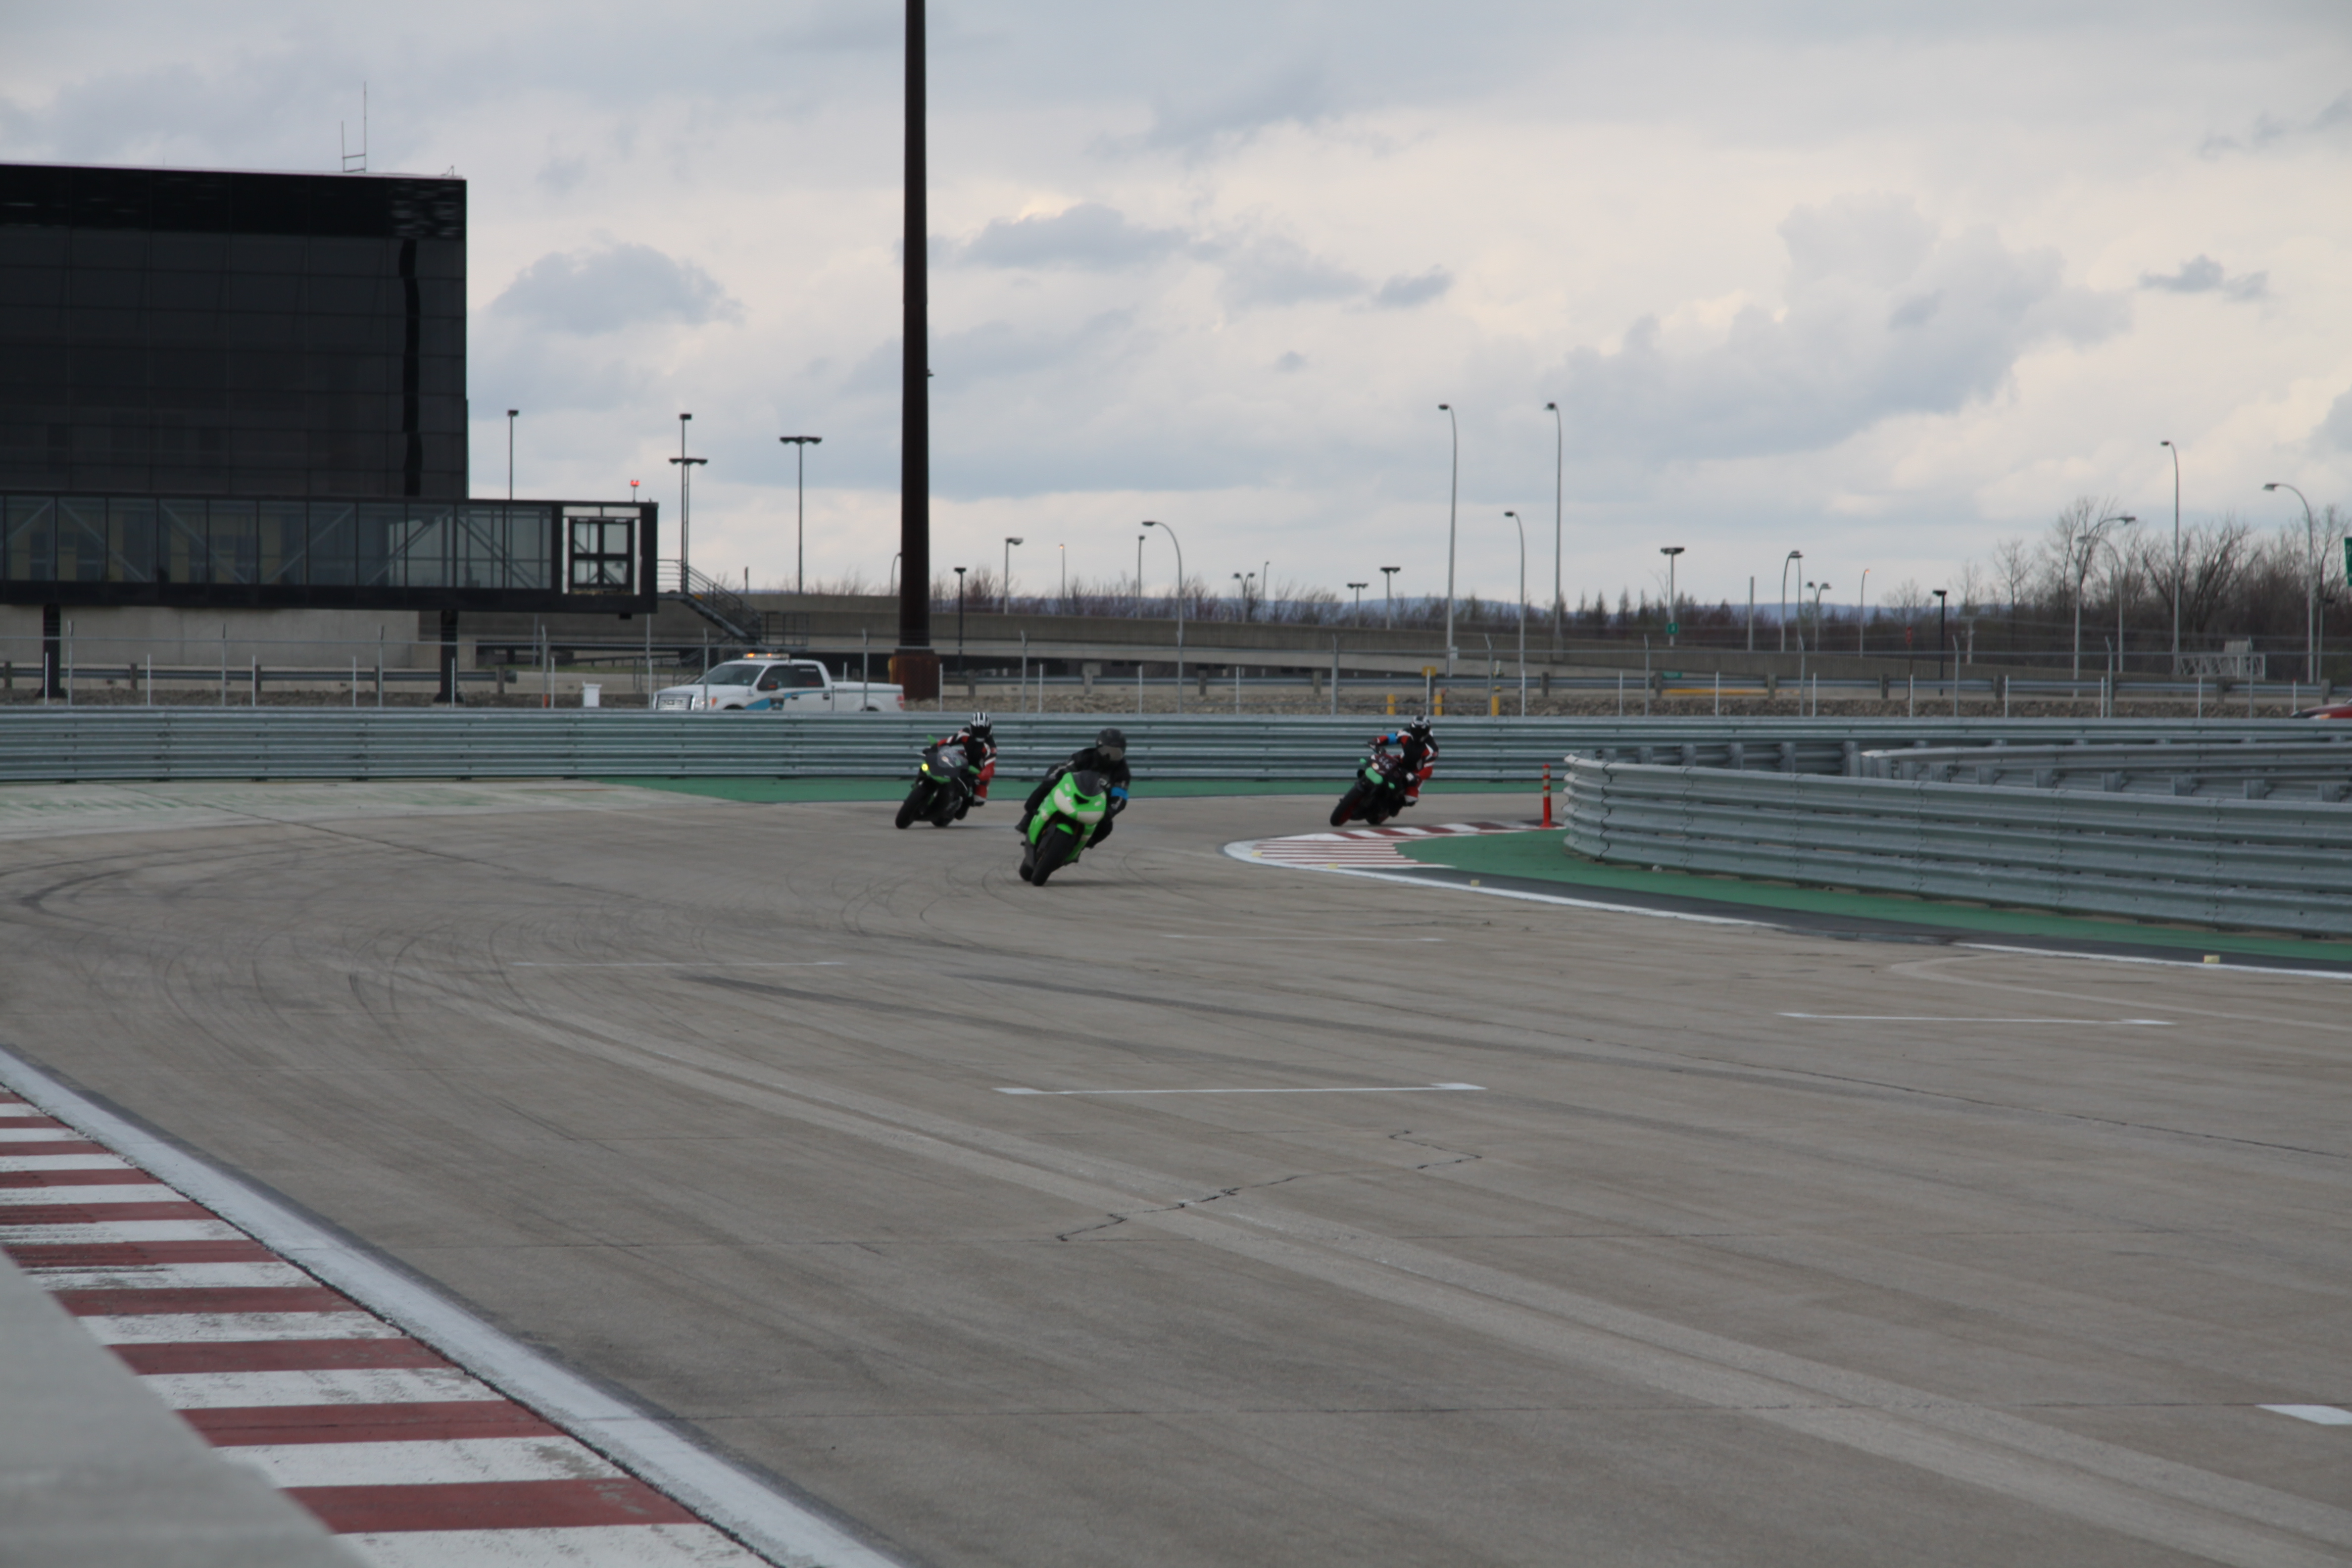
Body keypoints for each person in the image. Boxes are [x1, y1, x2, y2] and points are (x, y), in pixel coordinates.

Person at [1019, 726, 1131, 844]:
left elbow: (1120, 797)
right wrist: (1052, 778)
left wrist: (1110, 811)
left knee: (1107, 826)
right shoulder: (1086, 756)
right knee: (1045, 788)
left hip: (1096, 803)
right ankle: (1028, 818)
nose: (1110, 757)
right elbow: (1063, 767)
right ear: (1098, 747)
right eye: (1106, 751)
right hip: (1072, 792)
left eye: (1116, 754)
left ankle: (1084, 843)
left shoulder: (1123, 772)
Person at [1371, 715, 1438, 806]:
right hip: (1399, 762)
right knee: (1376, 760)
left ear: (1426, 731)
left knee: (1410, 799)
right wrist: (1377, 741)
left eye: (1420, 731)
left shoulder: (1432, 749)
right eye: (1415, 730)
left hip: (1414, 773)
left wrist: (1418, 776)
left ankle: (1392, 806)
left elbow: (1428, 770)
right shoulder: (1406, 733)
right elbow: (1391, 738)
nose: (1417, 733)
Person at [937, 711, 998, 806]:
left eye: (983, 730)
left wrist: (977, 778)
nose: (980, 733)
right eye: (977, 730)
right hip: (964, 761)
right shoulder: (965, 733)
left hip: (979, 771)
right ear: (972, 727)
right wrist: (935, 747)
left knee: (979, 800)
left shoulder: (991, 746)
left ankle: (961, 805)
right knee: (946, 760)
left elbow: (990, 769)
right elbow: (948, 741)